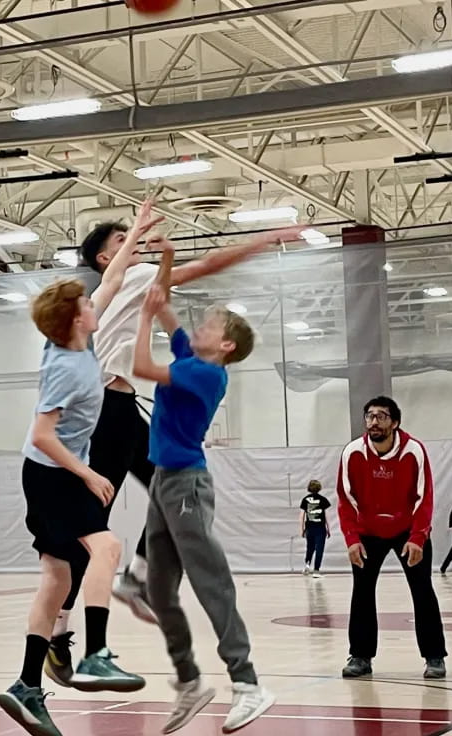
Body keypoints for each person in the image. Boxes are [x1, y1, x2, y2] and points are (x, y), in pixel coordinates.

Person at [45, 212, 305, 688]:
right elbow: (206, 265)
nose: (134, 243)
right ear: (106, 257)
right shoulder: (124, 279)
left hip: (123, 410)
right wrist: (265, 239)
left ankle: (136, 577)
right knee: (91, 527)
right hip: (103, 411)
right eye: (125, 240)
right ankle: (63, 633)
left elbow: (184, 277)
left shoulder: (134, 282)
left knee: (166, 479)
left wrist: (168, 257)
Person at [0, 216, 153, 736]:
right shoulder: (67, 366)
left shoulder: (78, 344)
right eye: (87, 305)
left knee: (57, 577)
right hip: (53, 474)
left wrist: (135, 235)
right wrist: (88, 474)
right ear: (76, 320)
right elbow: (43, 434)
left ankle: (25, 686)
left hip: (46, 476)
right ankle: (96, 655)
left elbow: (108, 281)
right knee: (105, 549)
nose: (95, 303)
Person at [131, 279, 275, 734]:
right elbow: (175, 328)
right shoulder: (193, 359)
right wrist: (160, 300)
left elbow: (138, 364)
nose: (200, 326)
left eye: (210, 325)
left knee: (211, 582)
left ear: (226, 344)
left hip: (187, 486)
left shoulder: (205, 373)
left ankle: (248, 682)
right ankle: (190, 680)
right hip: (162, 482)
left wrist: (144, 315)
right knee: (157, 589)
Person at [336, 396, 447, 680]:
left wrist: (418, 537)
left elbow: (425, 498)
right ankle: (360, 656)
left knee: (422, 591)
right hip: (367, 532)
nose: (374, 421)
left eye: (381, 416)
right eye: (370, 416)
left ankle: (434, 657)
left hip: (407, 531)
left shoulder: (414, 451)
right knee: (361, 592)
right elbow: (345, 501)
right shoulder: (352, 452)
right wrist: (351, 539)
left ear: (395, 423)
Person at [299, 479, 331, 578]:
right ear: (319, 488)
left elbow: (301, 516)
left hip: (310, 528)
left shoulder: (305, 499)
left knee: (310, 547)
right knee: (319, 549)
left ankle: (307, 565)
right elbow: (326, 515)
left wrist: (302, 529)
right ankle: (316, 570)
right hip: (320, 528)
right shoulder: (323, 500)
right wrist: (328, 529)